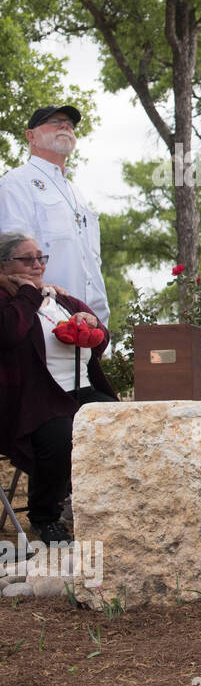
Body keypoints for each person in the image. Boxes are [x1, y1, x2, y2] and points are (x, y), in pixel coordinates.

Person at [0, 231, 118, 545]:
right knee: (60, 436)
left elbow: (101, 339)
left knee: (123, 423)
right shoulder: (8, 299)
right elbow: (8, 332)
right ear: (3, 265)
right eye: (27, 259)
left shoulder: (58, 296)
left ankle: (103, 506)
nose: (37, 264)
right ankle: (45, 517)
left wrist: (88, 323)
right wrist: (27, 293)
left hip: (81, 389)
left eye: (41, 258)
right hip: (32, 398)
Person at [0, 105, 110, 325]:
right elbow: (14, 257)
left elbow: (91, 262)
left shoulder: (76, 193)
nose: (65, 126)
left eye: (70, 124)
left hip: (87, 320)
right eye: (54, 122)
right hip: (42, 319)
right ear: (31, 136)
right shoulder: (15, 183)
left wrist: (99, 319)